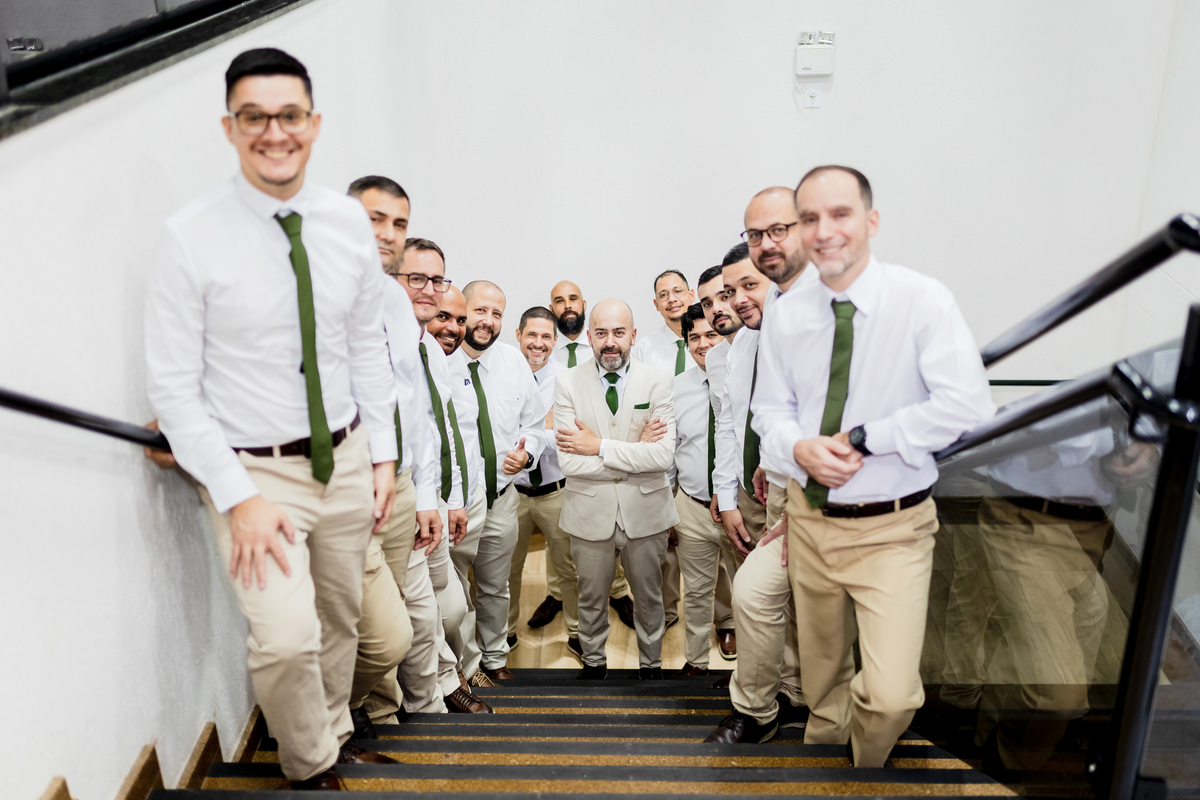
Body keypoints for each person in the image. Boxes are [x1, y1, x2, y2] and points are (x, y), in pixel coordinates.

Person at [144, 49, 399, 788]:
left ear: (313, 124)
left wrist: (382, 455)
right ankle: (310, 767)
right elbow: (173, 391)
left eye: (289, 116)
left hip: (346, 457)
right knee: (286, 639)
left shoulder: (345, 222)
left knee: (340, 623)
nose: (274, 132)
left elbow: (365, 345)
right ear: (230, 128)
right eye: (254, 117)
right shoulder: (191, 236)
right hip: (254, 470)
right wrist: (239, 496)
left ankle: (336, 736)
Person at [754, 165, 994, 767]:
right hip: (812, 522)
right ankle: (825, 770)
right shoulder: (787, 312)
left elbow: (968, 407)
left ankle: (864, 768)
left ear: (872, 221)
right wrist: (799, 447)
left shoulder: (922, 300)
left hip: (894, 529)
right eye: (810, 218)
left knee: (890, 696)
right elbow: (770, 411)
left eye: (840, 214)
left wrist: (869, 438)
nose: (824, 231)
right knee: (822, 681)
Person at [347, 186, 491, 718]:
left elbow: (424, 426)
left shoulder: (423, 342)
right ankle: (388, 712)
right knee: (391, 621)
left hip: (409, 489)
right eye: (418, 279)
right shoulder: (361, 316)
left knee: (427, 613)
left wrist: (428, 496)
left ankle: (425, 704)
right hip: (361, 488)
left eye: (438, 280)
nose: (430, 290)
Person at [706, 187, 811, 743]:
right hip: (765, 489)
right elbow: (737, 421)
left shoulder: (813, 328)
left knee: (772, 596)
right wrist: (743, 485)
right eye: (729, 291)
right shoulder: (743, 345)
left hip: (814, 496)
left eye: (748, 285)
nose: (737, 301)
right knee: (768, 599)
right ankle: (777, 696)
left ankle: (780, 699)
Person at [555, 299, 679, 679]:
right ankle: (593, 662)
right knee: (591, 597)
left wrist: (599, 446)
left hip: (646, 511)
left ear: (633, 336)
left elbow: (662, 457)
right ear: (590, 337)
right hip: (588, 512)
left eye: (619, 332)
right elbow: (569, 464)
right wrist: (636, 450)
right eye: (601, 333)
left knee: (650, 597)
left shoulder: (658, 381)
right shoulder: (567, 383)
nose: (610, 342)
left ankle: (651, 666)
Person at [447, 281, 548, 683]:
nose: (488, 321)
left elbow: (534, 426)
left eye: (497, 313)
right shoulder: (440, 363)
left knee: (496, 585)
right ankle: (460, 667)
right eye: (480, 310)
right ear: (461, 311)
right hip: (457, 503)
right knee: (454, 592)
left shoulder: (512, 362)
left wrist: (527, 454)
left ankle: (494, 658)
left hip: (503, 498)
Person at [426, 284, 495, 689]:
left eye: (459, 320)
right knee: (442, 601)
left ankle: (467, 668)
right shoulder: (415, 365)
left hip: (468, 500)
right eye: (443, 317)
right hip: (432, 504)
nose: (453, 328)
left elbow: (463, 438)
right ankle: (444, 677)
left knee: (462, 590)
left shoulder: (462, 367)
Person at [506, 307, 583, 659]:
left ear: (555, 340)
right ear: (518, 335)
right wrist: (545, 426)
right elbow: (498, 435)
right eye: (531, 335)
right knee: (507, 568)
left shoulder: (569, 380)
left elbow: (571, 438)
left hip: (557, 491)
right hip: (513, 493)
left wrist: (531, 433)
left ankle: (578, 632)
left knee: (569, 567)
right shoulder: (503, 375)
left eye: (546, 337)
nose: (538, 343)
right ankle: (504, 633)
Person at [672, 304, 739, 676]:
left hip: (740, 508)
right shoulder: (675, 388)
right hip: (692, 507)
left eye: (710, 334)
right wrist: (668, 509)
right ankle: (696, 660)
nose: (702, 344)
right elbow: (670, 452)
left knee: (749, 590)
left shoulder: (744, 379)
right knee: (696, 591)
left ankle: (752, 663)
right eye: (693, 337)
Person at [550, 280, 592, 367]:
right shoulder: (544, 349)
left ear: (584, 305)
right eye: (559, 301)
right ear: (551, 310)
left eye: (573, 299)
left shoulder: (601, 345)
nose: (567, 305)